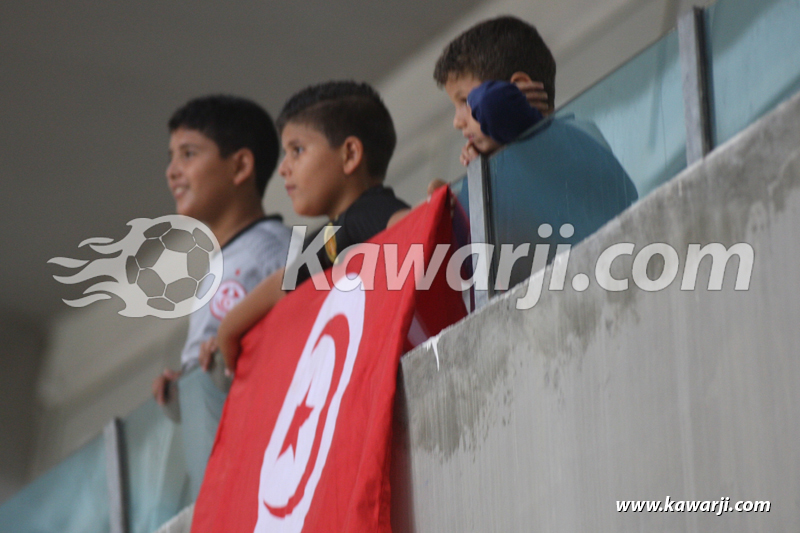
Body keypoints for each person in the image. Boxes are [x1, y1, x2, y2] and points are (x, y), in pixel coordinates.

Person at [151, 95, 291, 499]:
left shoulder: (274, 251)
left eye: (188, 154)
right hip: (226, 481)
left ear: (240, 166)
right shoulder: (216, 267)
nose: (172, 172)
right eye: (172, 158)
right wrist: (181, 390)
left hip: (270, 472)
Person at [216, 81, 410, 371]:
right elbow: (282, 283)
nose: (283, 168)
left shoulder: (368, 212)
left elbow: (411, 228)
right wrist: (227, 331)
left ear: (350, 155)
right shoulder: (333, 234)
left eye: (297, 150)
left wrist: (227, 332)